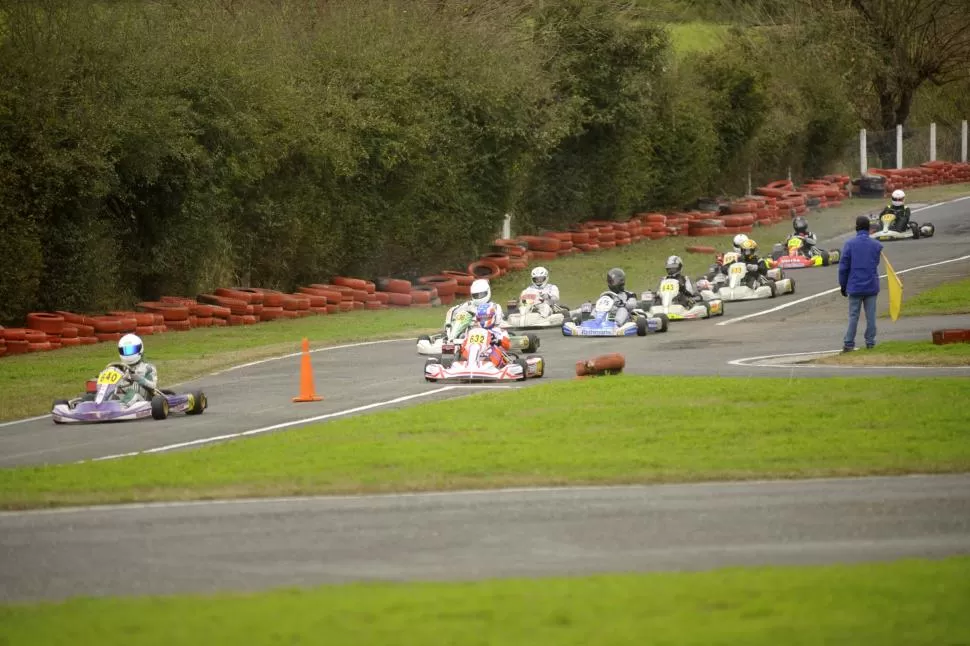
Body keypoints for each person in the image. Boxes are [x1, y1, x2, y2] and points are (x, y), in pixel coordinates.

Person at [839, 215, 884, 351]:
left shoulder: (849, 244)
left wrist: (843, 285)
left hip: (855, 286)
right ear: (869, 228)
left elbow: (843, 268)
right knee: (871, 316)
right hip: (871, 285)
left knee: (854, 316)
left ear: (857, 228)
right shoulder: (876, 245)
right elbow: (875, 263)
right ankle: (870, 342)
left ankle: (849, 343)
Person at [114, 333, 158, 404]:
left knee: (132, 392)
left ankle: (123, 406)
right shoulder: (118, 368)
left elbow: (153, 386)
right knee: (111, 394)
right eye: (125, 351)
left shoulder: (147, 368)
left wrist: (138, 378)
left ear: (139, 348)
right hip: (122, 395)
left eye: (131, 350)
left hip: (142, 398)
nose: (128, 353)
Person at [466, 302, 511, 367]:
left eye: (486, 318)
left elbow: (507, 346)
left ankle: (487, 366)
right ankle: (465, 365)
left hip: (493, 354)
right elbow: (466, 344)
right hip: (476, 353)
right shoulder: (473, 331)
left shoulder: (499, 331)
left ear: (493, 317)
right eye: (481, 319)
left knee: (489, 357)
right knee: (463, 355)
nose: (483, 321)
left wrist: (498, 341)